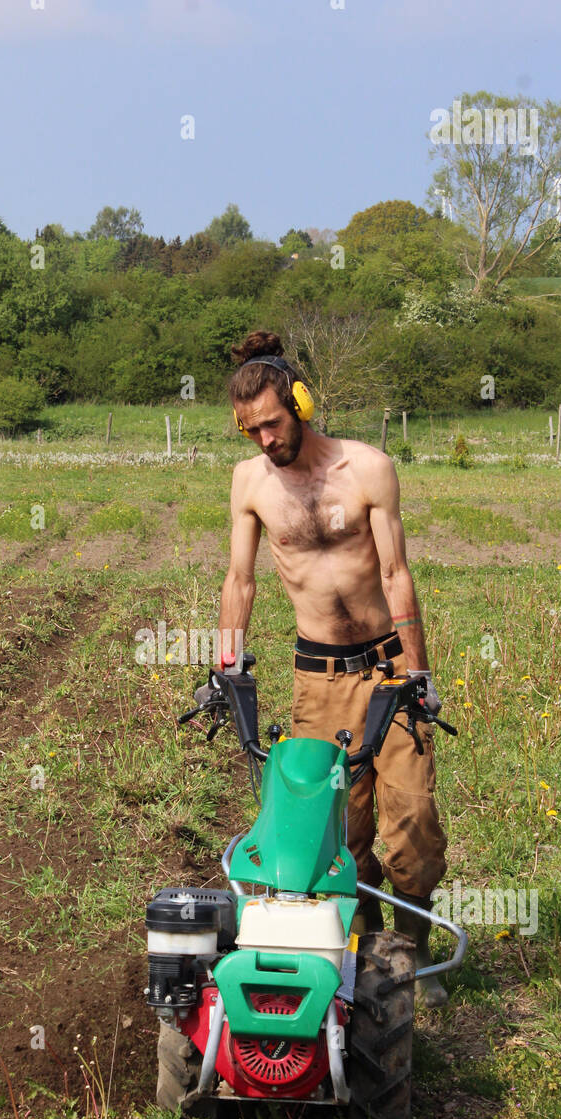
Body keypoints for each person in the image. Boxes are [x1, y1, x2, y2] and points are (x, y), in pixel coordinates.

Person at [217, 330, 449, 1007]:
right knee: (335, 831)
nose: (265, 439)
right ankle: (365, 946)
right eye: (251, 430)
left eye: (273, 423)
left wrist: (418, 674)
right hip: (316, 680)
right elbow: (239, 579)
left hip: (386, 670)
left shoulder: (367, 468)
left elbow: (396, 573)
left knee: (412, 819)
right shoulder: (250, 484)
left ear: (301, 402)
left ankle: (410, 951)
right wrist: (225, 665)